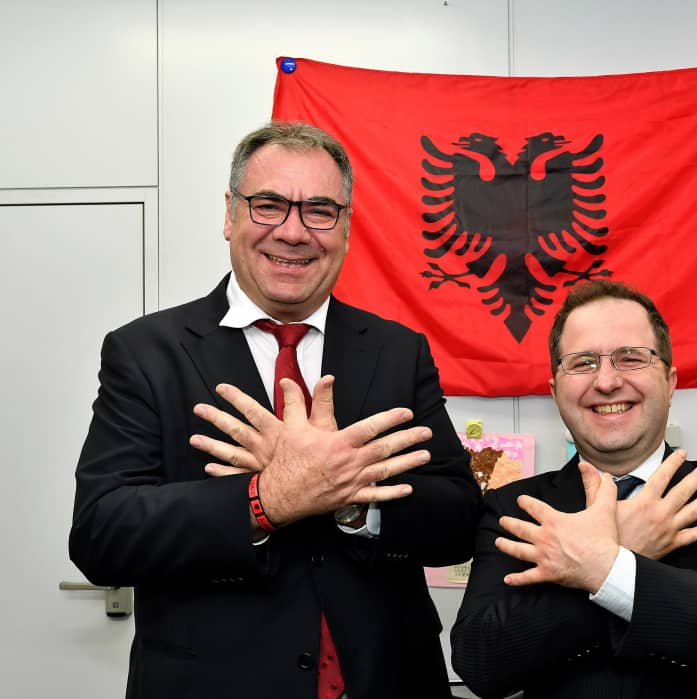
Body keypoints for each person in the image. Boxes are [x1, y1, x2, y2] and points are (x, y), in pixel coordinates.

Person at [69, 121, 481, 699]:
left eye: (319, 210)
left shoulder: (396, 350)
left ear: (345, 226)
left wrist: (351, 499)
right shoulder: (146, 352)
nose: (293, 232)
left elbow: (459, 521)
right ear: (230, 214)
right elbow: (101, 535)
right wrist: (267, 499)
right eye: (268, 206)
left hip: (387, 678)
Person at [451, 280, 697, 699]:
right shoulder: (515, 509)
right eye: (582, 363)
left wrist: (612, 568)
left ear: (671, 383)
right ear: (556, 392)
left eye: (631, 358)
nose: (606, 381)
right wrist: (616, 555)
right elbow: (480, 663)